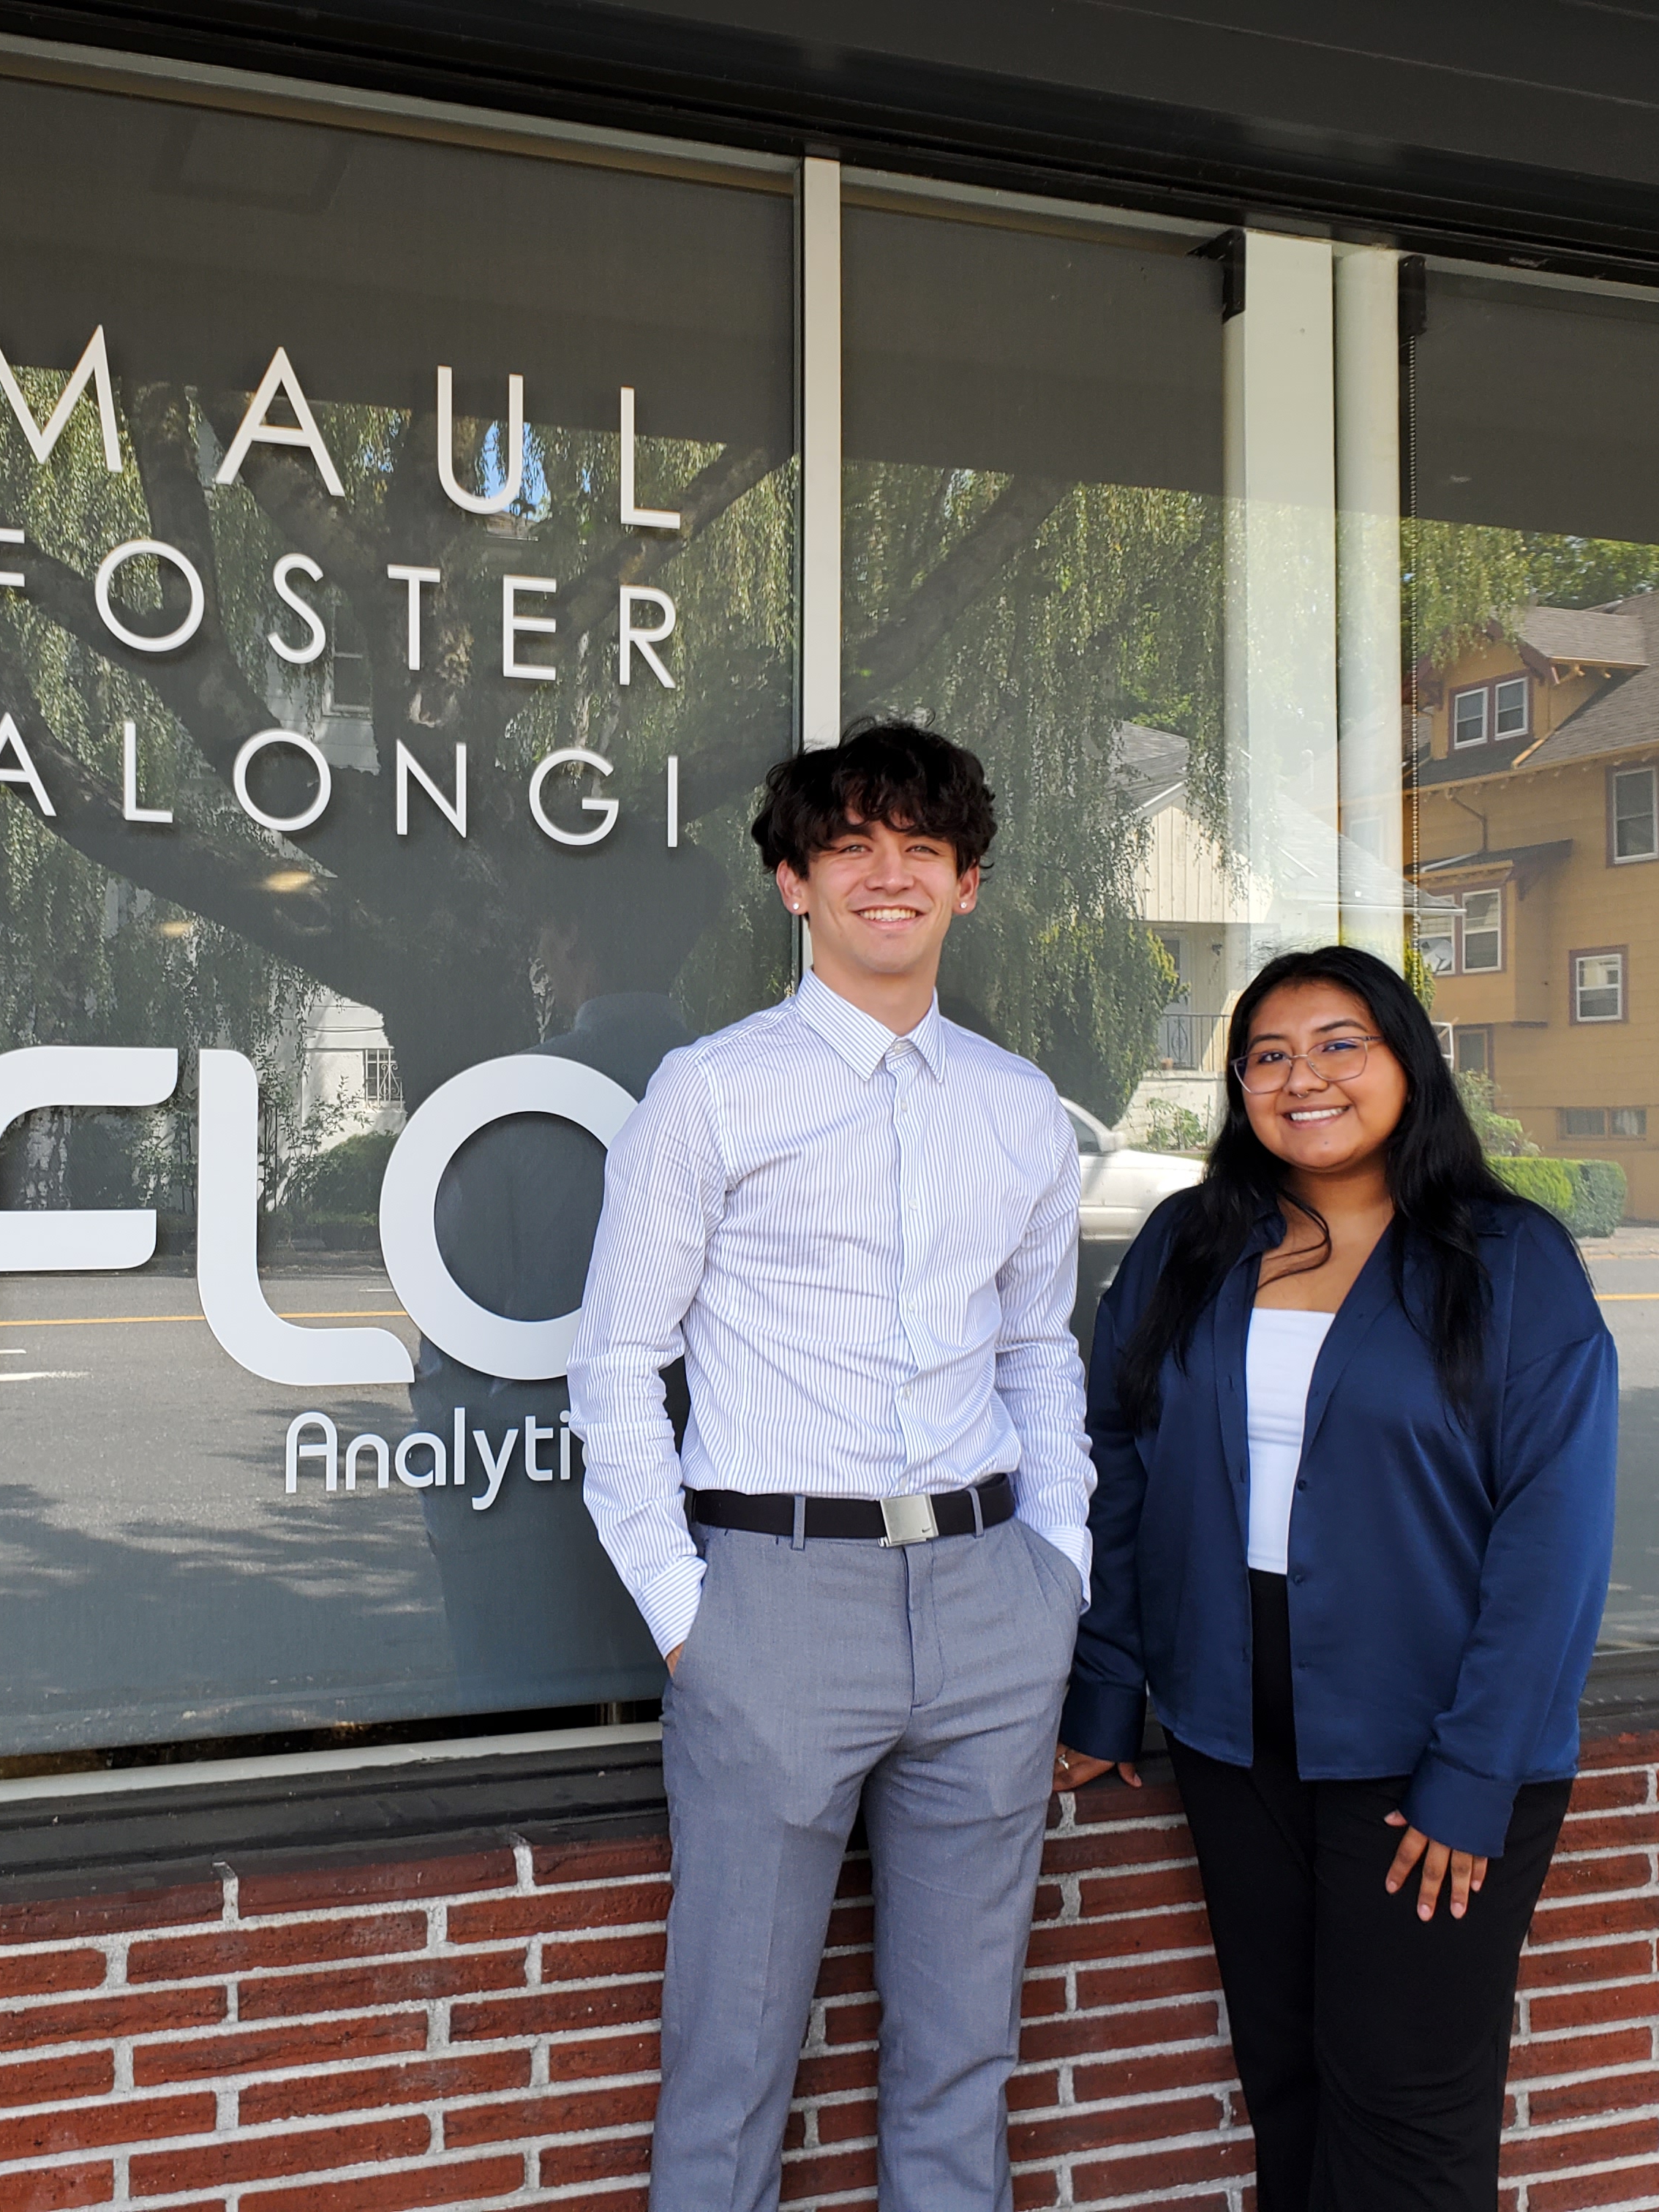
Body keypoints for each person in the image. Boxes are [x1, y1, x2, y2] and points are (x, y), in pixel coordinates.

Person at [570, 722, 1091, 2212]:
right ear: (794, 883)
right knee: (729, 2063)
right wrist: (689, 1614)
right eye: (852, 846)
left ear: (965, 887)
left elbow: (1037, 1352)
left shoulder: (1016, 1106)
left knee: (962, 2059)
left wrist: (1061, 1566)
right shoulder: (712, 1093)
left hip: (994, 1605)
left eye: (921, 849)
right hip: (775, 1608)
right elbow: (615, 1364)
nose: (889, 875)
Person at [1055, 945, 1617, 2212]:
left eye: (1338, 1043)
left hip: (1430, 1749)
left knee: (1403, 2101)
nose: (1300, 1075)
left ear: (1407, 1061)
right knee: (1290, 2077)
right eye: (1267, 1053)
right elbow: (1119, 1461)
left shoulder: (1509, 1259)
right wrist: (1106, 1683)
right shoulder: (1185, 1245)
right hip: (1230, 1733)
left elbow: (1553, 1539)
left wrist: (1475, 1771)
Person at [408, 843, 720, 1711]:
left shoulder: (512, 1101)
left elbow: (455, 1331)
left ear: (575, 939)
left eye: (546, 930)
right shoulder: (738, 1095)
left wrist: (455, 1485)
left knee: (524, 1753)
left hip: (528, 1492)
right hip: (705, 1492)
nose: (540, 952)